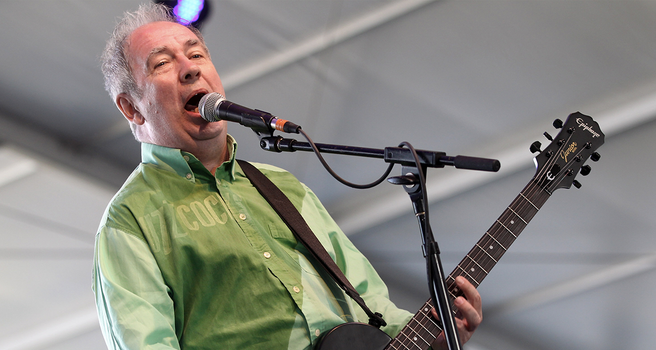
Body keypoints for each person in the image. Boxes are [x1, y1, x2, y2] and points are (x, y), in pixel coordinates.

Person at [93, 3, 482, 350]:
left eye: (196, 54)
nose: (190, 67)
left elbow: (374, 307)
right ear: (132, 108)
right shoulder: (129, 219)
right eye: (162, 63)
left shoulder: (282, 186)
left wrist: (437, 338)